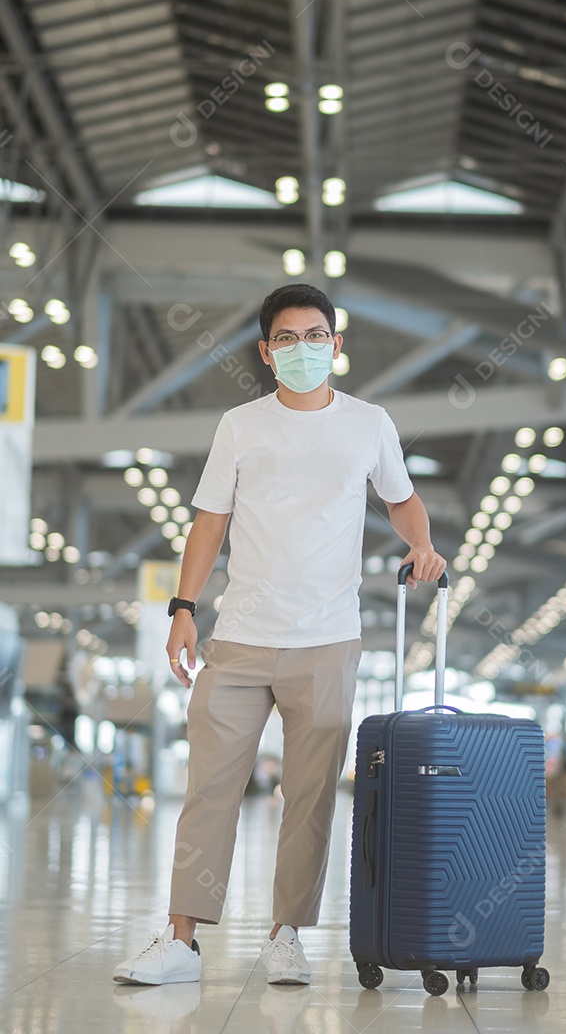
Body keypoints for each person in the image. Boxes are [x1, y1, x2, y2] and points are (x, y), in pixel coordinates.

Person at [113, 283, 447, 987]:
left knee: (310, 795)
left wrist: (421, 543)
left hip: (328, 640)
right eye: (288, 339)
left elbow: (402, 499)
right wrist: (183, 608)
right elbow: (210, 520)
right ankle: (181, 940)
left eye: (315, 335)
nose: (303, 349)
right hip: (239, 637)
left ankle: (285, 935)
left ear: (337, 344)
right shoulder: (240, 425)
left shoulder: (369, 424)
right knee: (210, 789)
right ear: (267, 353)